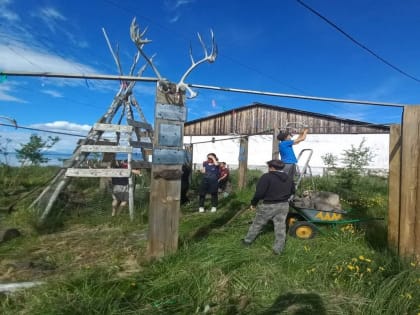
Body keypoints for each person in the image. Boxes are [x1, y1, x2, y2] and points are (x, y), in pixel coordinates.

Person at [242, 159, 295, 255]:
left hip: (269, 205)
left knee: (258, 223)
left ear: (271, 167)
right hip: (284, 205)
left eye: (268, 167)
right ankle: (278, 249)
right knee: (280, 227)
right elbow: (292, 191)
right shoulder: (288, 178)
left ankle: (247, 241)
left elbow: (259, 193)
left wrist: (253, 204)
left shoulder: (266, 177)